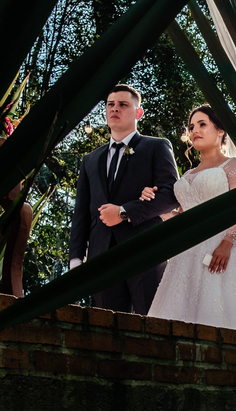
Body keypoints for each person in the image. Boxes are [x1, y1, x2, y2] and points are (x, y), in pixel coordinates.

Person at [144, 106, 236, 331]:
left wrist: (228, 241)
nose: (194, 131)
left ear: (220, 131)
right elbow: (181, 219)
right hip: (186, 256)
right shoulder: (188, 175)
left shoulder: (233, 165)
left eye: (202, 124)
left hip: (223, 250)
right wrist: (155, 207)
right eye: (191, 127)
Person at [68, 85, 181, 315]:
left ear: (138, 113)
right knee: (108, 331)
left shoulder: (156, 147)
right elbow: (81, 212)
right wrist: (76, 260)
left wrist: (124, 211)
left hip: (145, 252)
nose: (115, 109)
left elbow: (171, 194)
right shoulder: (90, 160)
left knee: (150, 325)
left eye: (123, 104)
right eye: (110, 104)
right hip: (102, 259)